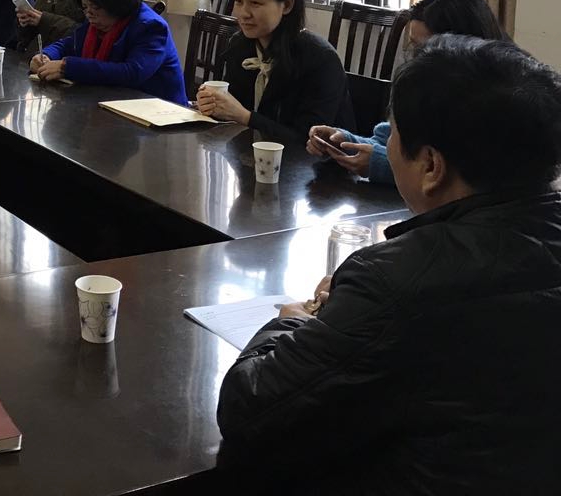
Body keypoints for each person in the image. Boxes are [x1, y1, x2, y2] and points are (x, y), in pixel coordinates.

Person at [216, 36, 561, 492]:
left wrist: (293, 321)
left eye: (392, 133)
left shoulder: (396, 282)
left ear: (431, 166)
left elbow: (249, 410)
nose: (387, 145)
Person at [308, 0, 508, 183]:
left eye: (426, 49)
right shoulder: (424, 84)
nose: (417, 58)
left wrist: (380, 164)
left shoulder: (494, 102)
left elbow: (458, 178)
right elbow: (392, 142)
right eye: (414, 46)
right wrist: (344, 142)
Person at [196, 0, 353, 142]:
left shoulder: (320, 59)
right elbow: (233, 109)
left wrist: (245, 117)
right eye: (238, 1)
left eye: (255, 3)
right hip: (251, 153)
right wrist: (214, 105)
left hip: (316, 159)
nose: (243, 13)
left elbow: (309, 141)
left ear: (287, 5)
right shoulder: (240, 45)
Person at [29, 0, 186, 103]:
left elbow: (132, 72)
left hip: (157, 111)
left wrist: (67, 68)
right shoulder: (97, 22)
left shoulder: (151, 27)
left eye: (95, 8)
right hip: (112, 102)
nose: (89, 14)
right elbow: (70, 43)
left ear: (116, 3)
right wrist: (47, 55)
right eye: (85, 7)